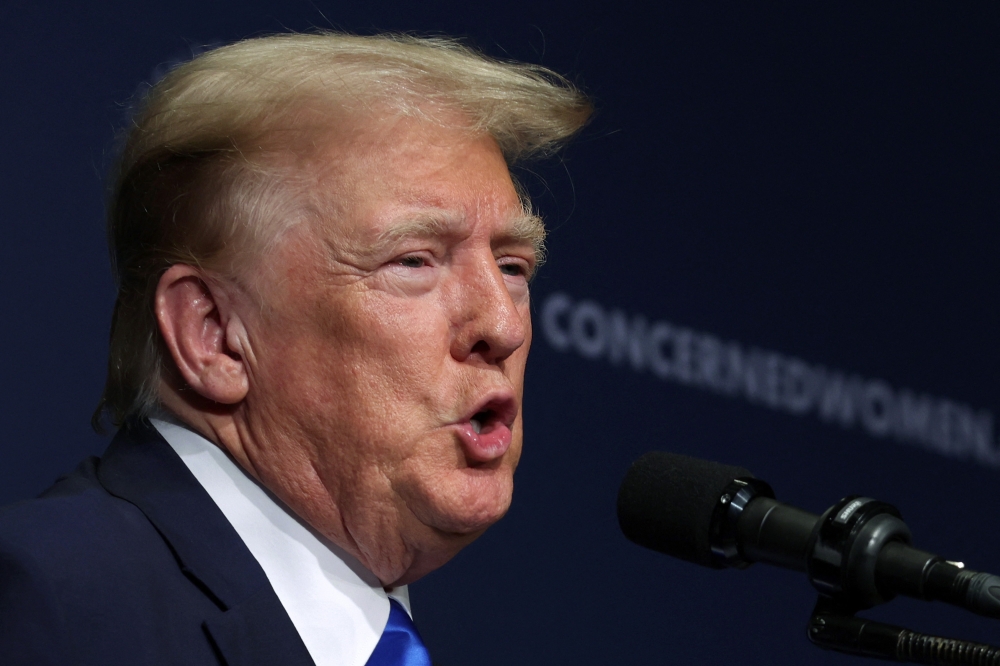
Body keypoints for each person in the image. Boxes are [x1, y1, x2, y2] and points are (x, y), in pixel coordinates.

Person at [0, 32, 590, 665]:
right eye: (414, 261)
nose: (503, 324)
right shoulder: (52, 601)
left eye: (512, 267)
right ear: (214, 335)